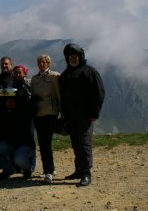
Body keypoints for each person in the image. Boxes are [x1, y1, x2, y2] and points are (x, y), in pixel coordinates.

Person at [60, 43, 105, 187]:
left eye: (75, 55)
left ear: (80, 56)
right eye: (70, 56)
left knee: (84, 143)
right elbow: (62, 96)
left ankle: (86, 173)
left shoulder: (90, 71)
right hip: (70, 116)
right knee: (75, 143)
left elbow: (99, 93)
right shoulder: (65, 74)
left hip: (85, 116)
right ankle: (78, 170)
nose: (73, 58)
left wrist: (94, 114)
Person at [31, 54, 61, 184]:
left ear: (48, 63)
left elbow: (59, 94)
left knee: (46, 142)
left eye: (44, 62)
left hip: (50, 112)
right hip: (38, 113)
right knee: (42, 142)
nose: (41, 64)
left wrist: (61, 111)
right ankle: (49, 168)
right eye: (39, 62)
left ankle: (48, 171)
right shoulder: (34, 78)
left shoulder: (55, 76)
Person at [0, 95, 36, 180]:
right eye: (7, 101)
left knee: (19, 158)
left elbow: (30, 107)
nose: (10, 103)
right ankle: (8, 169)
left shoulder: (24, 112)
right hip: (11, 144)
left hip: (25, 144)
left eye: (12, 101)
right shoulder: (3, 113)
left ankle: (28, 170)